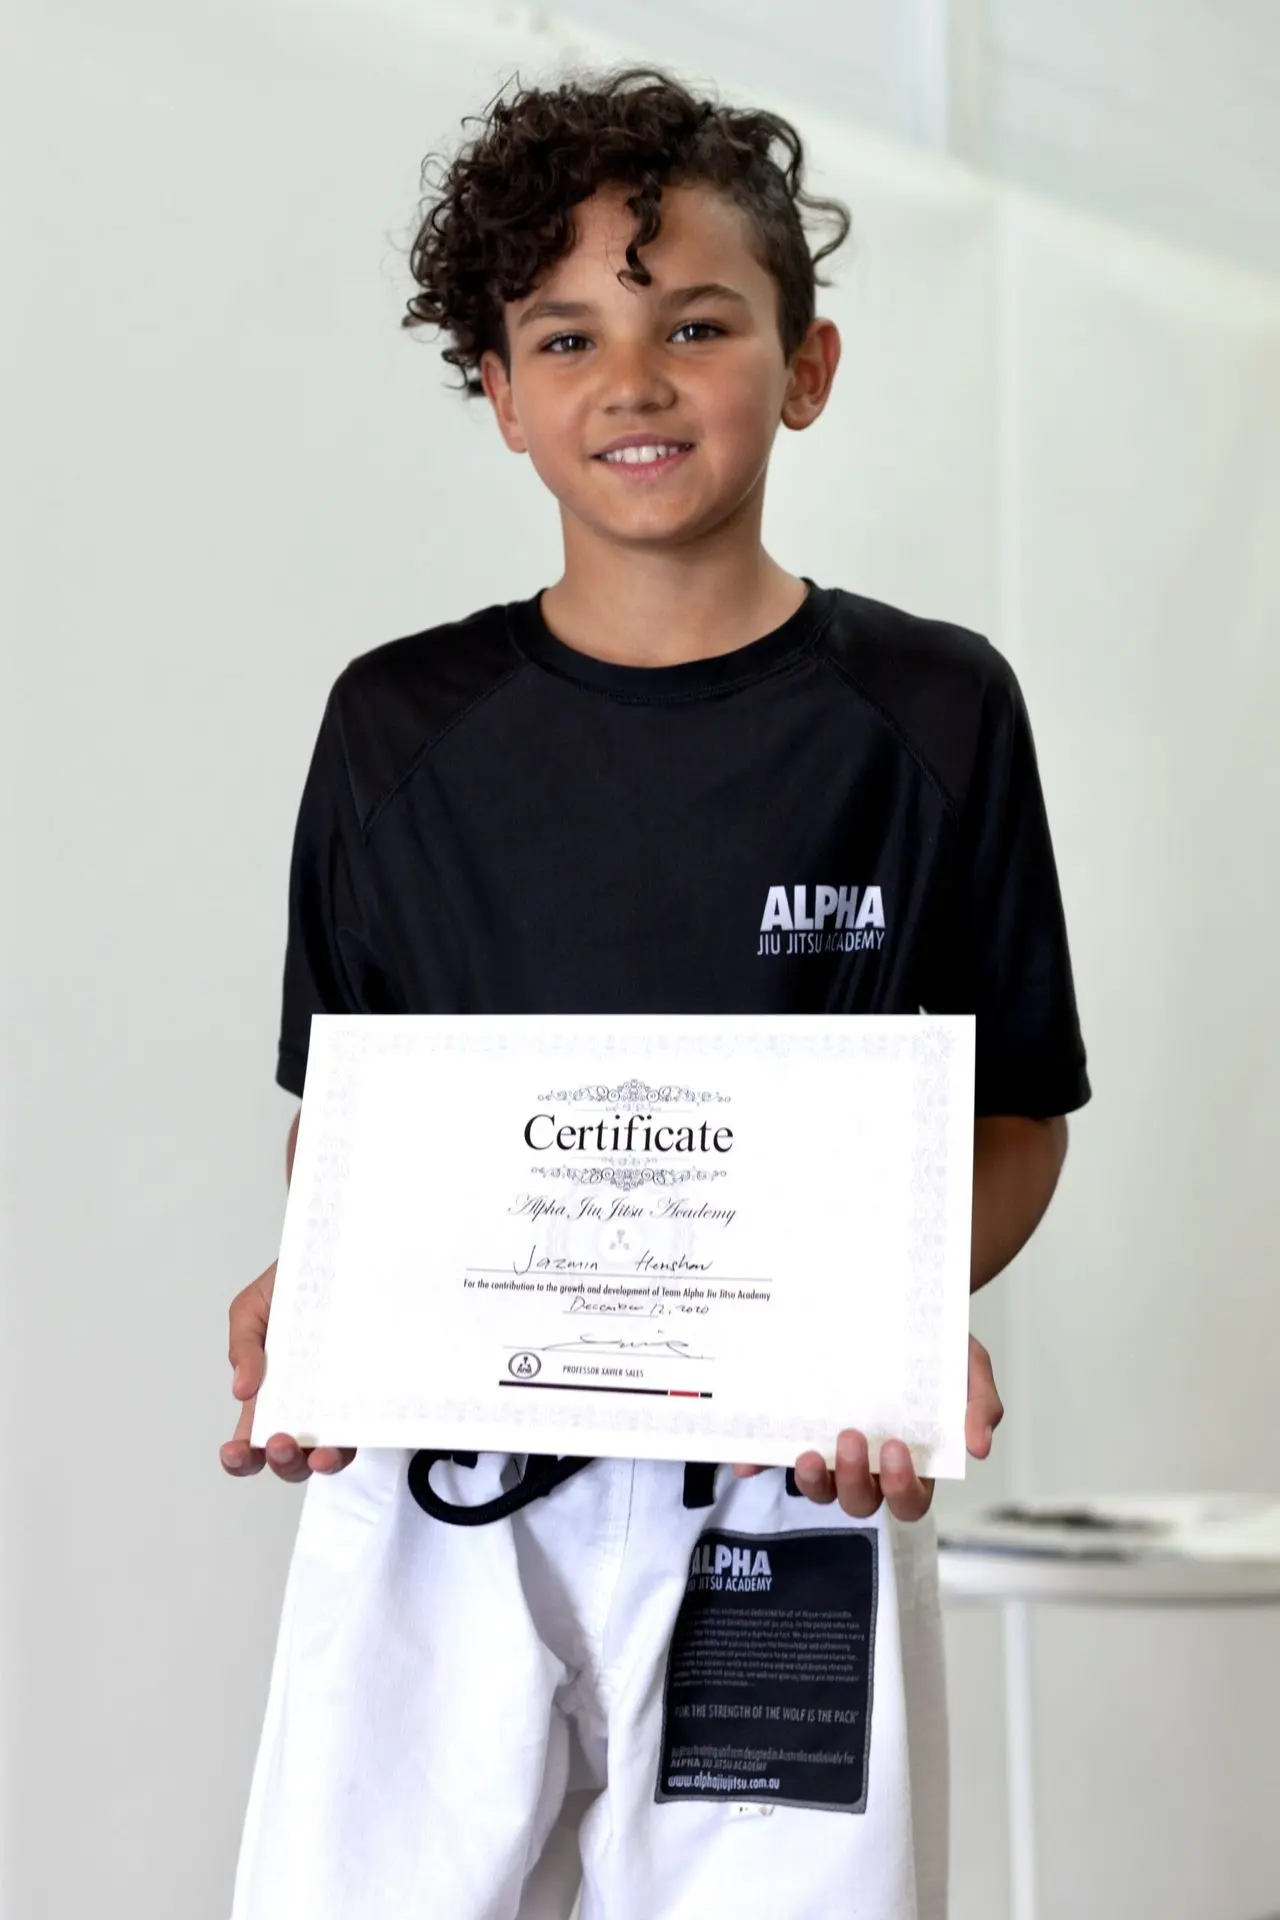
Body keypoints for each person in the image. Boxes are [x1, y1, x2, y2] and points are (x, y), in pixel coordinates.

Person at [220, 63, 1089, 1920]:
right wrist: (324, 1295)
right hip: (438, 1482)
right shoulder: (399, 728)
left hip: (791, 1484)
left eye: (697, 323)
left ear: (808, 364)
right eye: (567, 335)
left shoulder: (934, 718)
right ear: (503, 398)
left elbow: (1014, 1116)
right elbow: (348, 1122)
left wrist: (894, 1311)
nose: (635, 379)